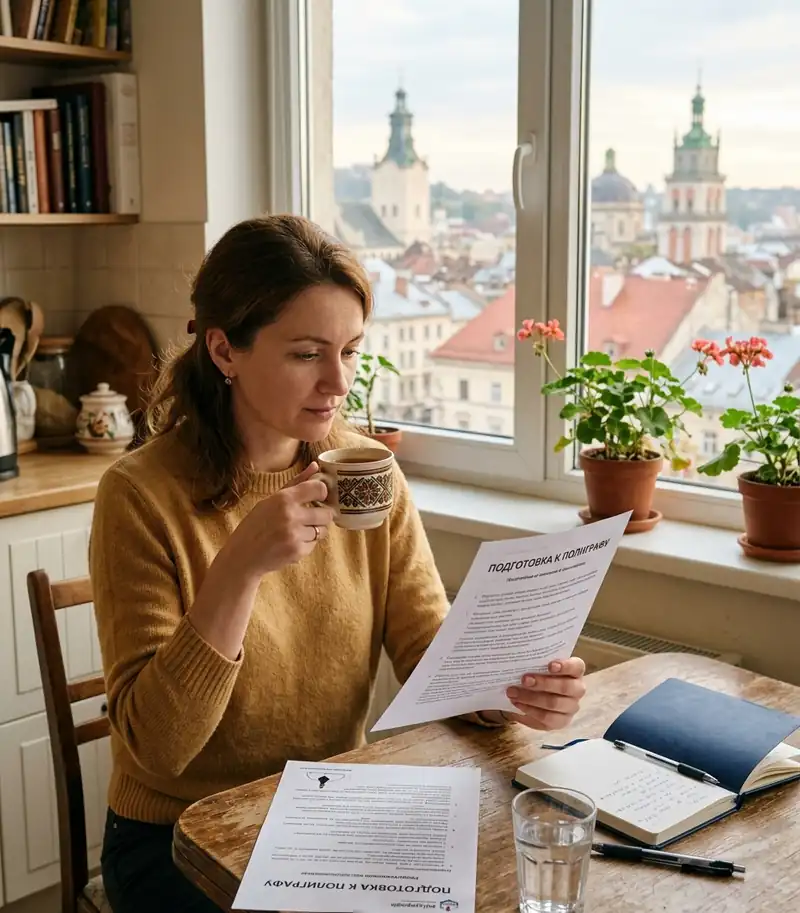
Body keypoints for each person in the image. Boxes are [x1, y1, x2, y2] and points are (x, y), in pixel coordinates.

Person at [89, 215, 587, 913]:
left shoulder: (366, 473)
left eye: (351, 351)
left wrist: (508, 688)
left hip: (328, 814)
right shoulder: (140, 495)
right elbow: (159, 750)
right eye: (306, 354)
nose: (337, 381)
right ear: (225, 349)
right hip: (177, 835)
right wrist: (238, 569)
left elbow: (428, 655)